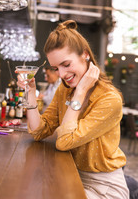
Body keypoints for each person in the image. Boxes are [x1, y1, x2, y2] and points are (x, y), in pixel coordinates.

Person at [17, 20, 129, 199]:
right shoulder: (65, 89)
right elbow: (38, 131)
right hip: (71, 176)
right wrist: (30, 91)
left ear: (85, 55)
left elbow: (65, 142)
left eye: (66, 64)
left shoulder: (109, 99)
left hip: (104, 187)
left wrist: (81, 92)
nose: (61, 74)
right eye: (56, 68)